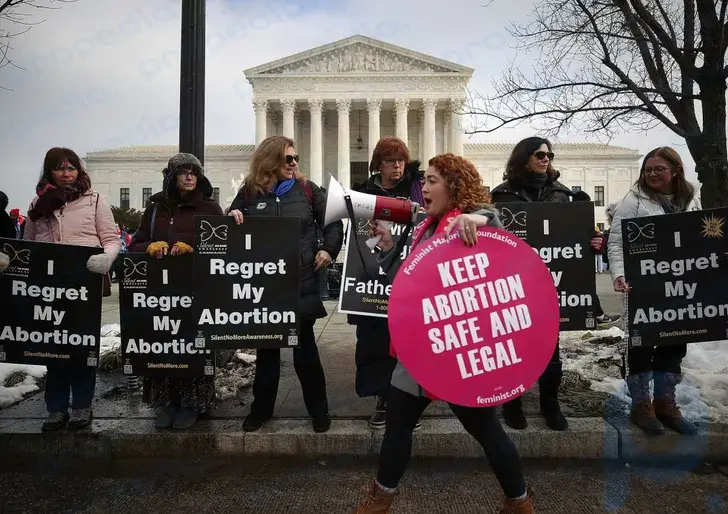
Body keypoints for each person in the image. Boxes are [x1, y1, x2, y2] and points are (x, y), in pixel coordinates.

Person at [353, 153, 534, 514]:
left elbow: (494, 224)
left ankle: (520, 505)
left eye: (433, 180)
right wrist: (388, 247)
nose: (424, 188)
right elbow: (406, 283)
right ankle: (379, 501)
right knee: (398, 427)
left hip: (459, 351)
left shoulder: (469, 222)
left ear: (453, 186)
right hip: (421, 350)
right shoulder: (427, 228)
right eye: (426, 181)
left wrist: (477, 217)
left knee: (487, 431)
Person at [227, 135, 344, 433]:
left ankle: (319, 411)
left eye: (295, 158)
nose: (293, 164)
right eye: (287, 159)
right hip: (265, 284)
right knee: (267, 353)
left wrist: (327, 250)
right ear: (270, 161)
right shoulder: (250, 193)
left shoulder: (306, 190)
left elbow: (333, 220)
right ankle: (261, 409)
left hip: (299, 280)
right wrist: (233, 216)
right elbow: (231, 221)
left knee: (305, 353)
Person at [0, 147, 121, 430]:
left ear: (79, 171)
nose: (67, 174)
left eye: (72, 168)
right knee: (52, 348)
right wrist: (9, 259)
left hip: (82, 283)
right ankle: (56, 409)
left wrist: (107, 257)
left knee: (81, 346)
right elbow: (27, 245)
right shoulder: (37, 204)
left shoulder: (95, 201)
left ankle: (82, 405)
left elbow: (112, 238)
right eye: (60, 168)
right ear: (49, 171)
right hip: (47, 285)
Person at [490, 136, 605, 431]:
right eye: (539, 154)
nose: (546, 159)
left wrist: (594, 241)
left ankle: (549, 402)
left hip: (552, 285)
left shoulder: (562, 195)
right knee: (512, 346)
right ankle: (512, 401)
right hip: (513, 284)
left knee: (550, 350)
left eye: (549, 155)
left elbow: (579, 238)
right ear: (524, 157)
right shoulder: (501, 196)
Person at [608, 146, 700, 436]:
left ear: (675, 170)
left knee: (675, 343)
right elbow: (616, 241)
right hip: (644, 286)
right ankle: (641, 404)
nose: (652, 174)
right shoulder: (633, 200)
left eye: (659, 169)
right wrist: (620, 275)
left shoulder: (692, 199)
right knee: (641, 345)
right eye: (648, 169)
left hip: (682, 286)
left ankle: (665, 402)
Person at [128, 153, 223, 430]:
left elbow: (222, 249)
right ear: (172, 176)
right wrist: (149, 247)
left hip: (196, 288)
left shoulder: (210, 209)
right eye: (183, 171)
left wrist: (192, 248)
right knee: (164, 342)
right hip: (162, 290)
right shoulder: (156, 207)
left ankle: (193, 404)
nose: (190, 176)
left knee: (192, 344)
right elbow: (135, 243)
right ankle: (166, 404)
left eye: (194, 172)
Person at [349, 136, 425, 429]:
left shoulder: (416, 189)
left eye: (401, 160)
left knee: (407, 343)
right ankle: (383, 398)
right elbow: (358, 238)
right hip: (374, 279)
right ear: (378, 164)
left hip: (408, 278)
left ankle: (407, 403)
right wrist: (378, 241)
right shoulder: (364, 194)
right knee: (375, 341)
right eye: (390, 160)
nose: (397, 165)